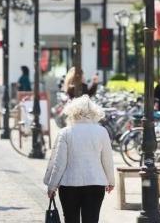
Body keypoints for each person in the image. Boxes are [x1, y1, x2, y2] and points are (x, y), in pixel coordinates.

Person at [44, 95, 115, 223]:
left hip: (69, 184)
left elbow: (59, 163)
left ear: (72, 112)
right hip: (95, 183)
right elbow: (108, 160)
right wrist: (111, 181)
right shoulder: (101, 131)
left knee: (71, 220)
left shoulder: (65, 132)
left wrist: (52, 186)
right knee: (92, 220)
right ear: (94, 112)